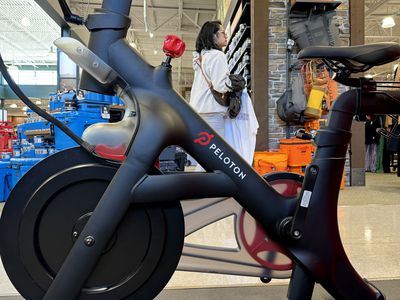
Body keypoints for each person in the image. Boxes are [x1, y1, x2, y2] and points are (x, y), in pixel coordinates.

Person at [190, 20, 230, 138]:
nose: (226, 35)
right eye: (223, 32)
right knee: (216, 153)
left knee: (201, 151)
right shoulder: (218, 55)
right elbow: (221, 86)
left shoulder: (202, 56)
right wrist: (234, 83)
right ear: (213, 36)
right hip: (212, 112)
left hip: (197, 111)